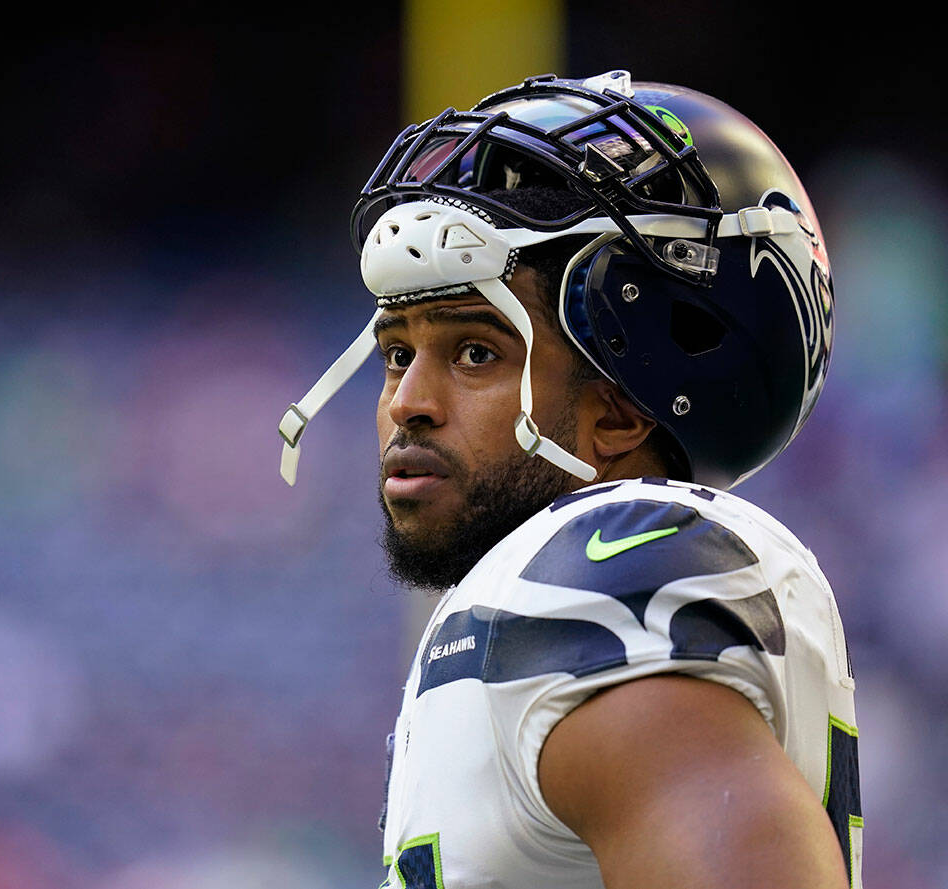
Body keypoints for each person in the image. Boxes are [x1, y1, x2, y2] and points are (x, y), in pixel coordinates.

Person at [278, 70, 861, 889]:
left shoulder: (606, 564)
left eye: (475, 352)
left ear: (619, 411)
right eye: (398, 353)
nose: (407, 403)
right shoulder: (521, 599)